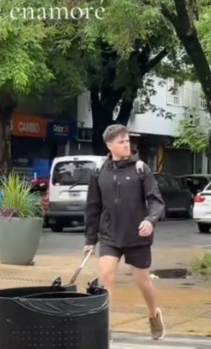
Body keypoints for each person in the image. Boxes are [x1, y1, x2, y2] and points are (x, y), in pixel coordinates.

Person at [84, 124, 166, 340]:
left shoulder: (141, 169)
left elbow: (156, 202)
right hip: (109, 234)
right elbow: (93, 206)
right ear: (110, 145)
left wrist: (150, 220)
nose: (126, 145)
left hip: (137, 234)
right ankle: (104, 326)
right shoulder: (99, 172)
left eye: (127, 141)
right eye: (121, 142)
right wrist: (90, 239)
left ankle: (153, 314)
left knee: (142, 280)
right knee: (107, 276)